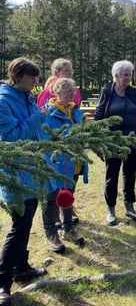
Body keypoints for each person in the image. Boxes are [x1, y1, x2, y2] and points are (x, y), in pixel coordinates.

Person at [0, 57, 48, 306]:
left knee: (27, 222)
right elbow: (11, 136)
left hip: (33, 170)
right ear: (16, 76)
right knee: (19, 226)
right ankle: (3, 283)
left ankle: (21, 267)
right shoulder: (3, 101)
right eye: (31, 76)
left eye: (37, 77)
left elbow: (34, 132)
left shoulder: (28, 97)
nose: (35, 81)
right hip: (15, 173)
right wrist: (38, 118)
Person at [94, 60, 136, 225]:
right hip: (113, 141)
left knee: (130, 173)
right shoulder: (107, 91)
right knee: (111, 175)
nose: (128, 78)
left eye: (130, 75)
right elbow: (98, 116)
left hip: (133, 138)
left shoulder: (134, 91)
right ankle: (110, 209)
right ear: (116, 75)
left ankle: (129, 206)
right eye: (126, 75)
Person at [39, 78, 88, 253]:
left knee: (68, 195)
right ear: (56, 92)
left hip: (73, 163)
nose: (72, 94)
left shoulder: (76, 111)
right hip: (55, 164)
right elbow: (45, 139)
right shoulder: (48, 113)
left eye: (73, 91)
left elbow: (85, 132)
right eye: (68, 91)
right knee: (50, 199)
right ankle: (51, 234)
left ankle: (68, 229)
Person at [37, 58, 82, 226]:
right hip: (57, 150)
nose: (71, 74)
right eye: (67, 71)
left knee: (71, 179)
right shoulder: (47, 94)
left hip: (72, 148)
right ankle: (55, 213)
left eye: (71, 71)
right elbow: (43, 123)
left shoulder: (72, 90)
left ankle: (67, 207)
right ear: (56, 73)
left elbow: (76, 112)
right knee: (55, 182)